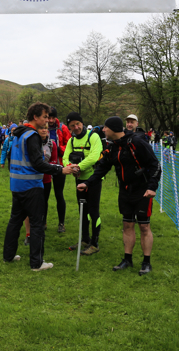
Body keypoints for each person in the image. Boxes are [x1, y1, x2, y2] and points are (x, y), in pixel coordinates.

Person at [77, 116, 162, 276]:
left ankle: (146, 262)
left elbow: (155, 165)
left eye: (106, 127)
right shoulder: (112, 147)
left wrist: (152, 187)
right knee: (127, 225)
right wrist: (87, 183)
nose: (103, 130)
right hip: (125, 191)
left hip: (142, 191)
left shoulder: (137, 143)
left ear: (114, 129)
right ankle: (127, 259)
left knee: (144, 227)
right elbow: (102, 168)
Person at [3, 102, 77, 271]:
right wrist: (60, 169)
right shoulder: (32, 136)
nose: (47, 120)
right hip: (31, 185)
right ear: (35, 117)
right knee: (37, 224)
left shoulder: (18, 134)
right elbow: (38, 163)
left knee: (15, 221)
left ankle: (8, 256)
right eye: (45, 117)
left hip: (17, 184)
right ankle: (36, 263)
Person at [63, 112, 104, 255]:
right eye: (72, 125)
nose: (76, 127)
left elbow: (94, 156)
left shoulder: (93, 137)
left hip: (93, 180)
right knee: (82, 210)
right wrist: (71, 167)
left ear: (82, 123)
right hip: (79, 179)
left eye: (78, 124)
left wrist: (78, 167)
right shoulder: (71, 141)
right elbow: (65, 158)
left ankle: (95, 243)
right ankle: (85, 239)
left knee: (93, 211)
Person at [46, 106, 72, 231]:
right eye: (48, 117)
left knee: (59, 194)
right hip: (45, 166)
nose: (50, 120)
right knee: (43, 196)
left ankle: (61, 223)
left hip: (59, 165)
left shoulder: (63, 128)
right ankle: (43, 222)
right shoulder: (42, 127)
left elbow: (69, 145)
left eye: (53, 118)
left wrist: (57, 148)